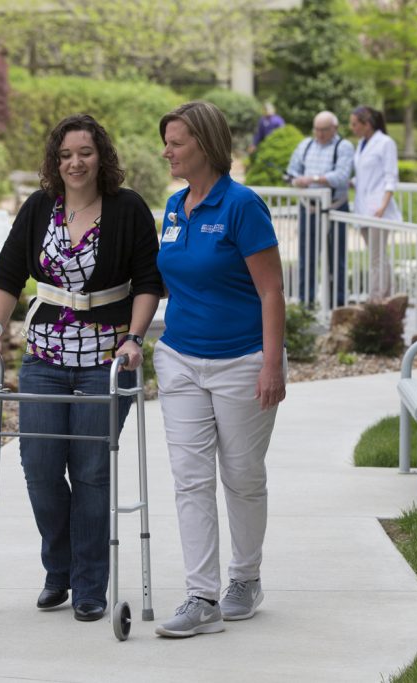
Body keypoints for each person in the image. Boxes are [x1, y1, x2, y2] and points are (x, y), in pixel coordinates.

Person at [0, 114, 162, 623]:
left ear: (102, 156)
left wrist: (134, 338)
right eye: (65, 155)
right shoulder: (38, 208)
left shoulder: (127, 209)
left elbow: (148, 281)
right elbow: (8, 275)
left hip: (106, 360)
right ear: (55, 162)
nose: (75, 162)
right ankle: (58, 568)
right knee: (38, 468)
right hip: (44, 360)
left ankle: (88, 583)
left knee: (93, 472)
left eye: (84, 152)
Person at [153, 101, 287, 638]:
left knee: (241, 476)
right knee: (189, 481)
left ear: (206, 145)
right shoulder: (173, 207)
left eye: (177, 142)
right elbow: (169, 281)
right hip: (181, 358)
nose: (167, 151)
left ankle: (245, 578)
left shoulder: (242, 206)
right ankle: (201, 595)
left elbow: (271, 289)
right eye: (166, 141)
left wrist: (271, 364)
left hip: (241, 360)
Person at [286, 110, 355, 307]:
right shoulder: (305, 145)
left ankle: (337, 305)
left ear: (335, 128)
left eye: (324, 130)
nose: (320, 134)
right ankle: (305, 305)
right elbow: (292, 170)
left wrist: (314, 179)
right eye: (316, 129)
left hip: (335, 207)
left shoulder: (344, 146)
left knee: (336, 259)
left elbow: (341, 176)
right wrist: (296, 180)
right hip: (308, 208)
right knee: (306, 257)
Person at [349, 105, 402, 298]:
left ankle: (377, 298)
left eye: (355, 124)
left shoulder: (385, 143)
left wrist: (383, 205)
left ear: (367, 124)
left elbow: (390, 177)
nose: (352, 128)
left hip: (378, 208)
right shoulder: (361, 144)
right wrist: (351, 182)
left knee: (377, 257)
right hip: (363, 207)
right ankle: (384, 295)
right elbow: (365, 175)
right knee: (376, 255)